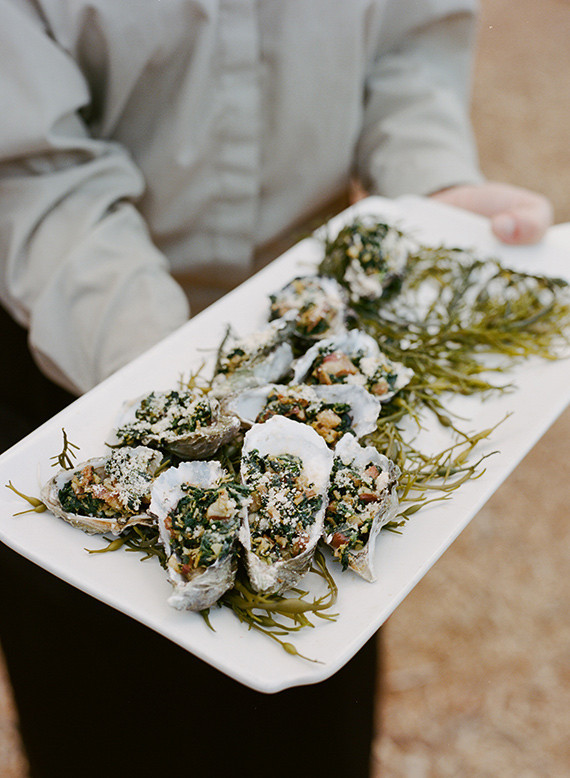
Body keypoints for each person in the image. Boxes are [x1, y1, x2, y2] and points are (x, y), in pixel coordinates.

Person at [0, 2, 552, 776]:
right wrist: (181, 391)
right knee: (101, 728)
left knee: (305, 729)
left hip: (325, 348)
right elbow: (31, 167)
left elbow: (410, 48)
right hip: (74, 355)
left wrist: (431, 193)